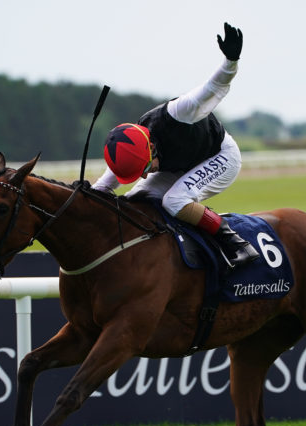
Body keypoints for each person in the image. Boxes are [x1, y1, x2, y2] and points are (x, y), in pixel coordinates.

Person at [93, 22, 259, 267]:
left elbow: (212, 88)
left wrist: (230, 61)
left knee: (175, 201)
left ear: (151, 149)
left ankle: (237, 244)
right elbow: (101, 189)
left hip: (219, 156)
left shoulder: (177, 113)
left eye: (147, 168)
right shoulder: (132, 150)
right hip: (182, 164)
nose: (147, 174)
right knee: (135, 197)